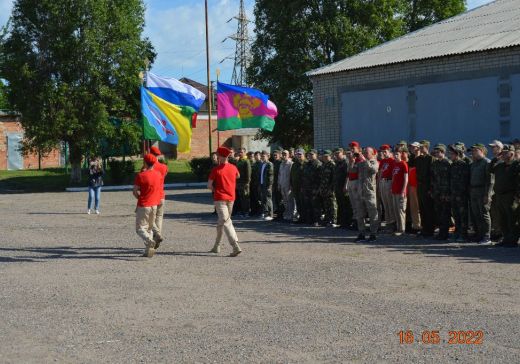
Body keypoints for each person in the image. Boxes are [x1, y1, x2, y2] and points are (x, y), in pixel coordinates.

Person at [207, 147, 242, 256]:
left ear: (221, 157)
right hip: (231, 198)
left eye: (218, 155)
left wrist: (216, 190)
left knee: (225, 222)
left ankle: (235, 246)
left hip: (220, 198)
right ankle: (217, 246)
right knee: (222, 223)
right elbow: (238, 176)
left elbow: (209, 185)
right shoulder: (233, 167)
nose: (217, 157)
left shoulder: (216, 170)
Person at [133, 153, 163, 258]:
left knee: (140, 228)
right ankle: (148, 251)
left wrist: (139, 197)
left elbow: (135, 191)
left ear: (145, 162)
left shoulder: (141, 175)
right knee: (149, 229)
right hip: (154, 205)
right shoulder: (158, 174)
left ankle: (149, 240)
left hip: (143, 204)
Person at [489, 144, 520, 247]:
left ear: (512, 153)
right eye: (503, 153)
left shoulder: (516, 165)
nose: (503, 155)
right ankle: (506, 238)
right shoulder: (500, 165)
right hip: (500, 195)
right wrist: (495, 159)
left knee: (512, 219)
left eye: (506, 153)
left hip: (511, 196)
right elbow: (489, 170)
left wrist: (517, 196)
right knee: (502, 219)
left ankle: (513, 239)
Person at [469, 144, 493, 245]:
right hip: (474, 191)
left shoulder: (487, 162)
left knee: (484, 214)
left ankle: (487, 237)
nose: (473, 153)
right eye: (473, 151)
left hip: (483, 190)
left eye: (475, 150)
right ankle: (480, 234)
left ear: (482, 151)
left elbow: (490, 181)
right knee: (476, 214)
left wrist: (487, 195)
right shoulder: (474, 163)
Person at [355, 147, 379, 242]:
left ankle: (373, 234)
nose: (364, 154)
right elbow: (352, 171)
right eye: (363, 152)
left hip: (369, 192)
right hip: (360, 192)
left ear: (372, 154)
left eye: (366, 152)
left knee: (373, 214)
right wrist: (352, 160)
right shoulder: (360, 163)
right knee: (360, 214)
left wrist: (365, 160)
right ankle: (361, 233)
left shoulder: (374, 162)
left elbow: (373, 170)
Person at [448, 144, 470, 242]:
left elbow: (465, 181)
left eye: (452, 154)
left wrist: (461, 192)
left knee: (463, 215)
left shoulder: (463, 165)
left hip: (461, 194)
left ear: (457, 155)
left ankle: (463, 234)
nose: (450, 156)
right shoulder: (452, 165)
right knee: (456, 215)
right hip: (454, 193)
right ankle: (457, 233)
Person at [415, 140, 435, 237]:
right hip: (420, 186)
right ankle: (424, 228)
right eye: (420, 147)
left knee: (428, 208)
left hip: (427, 185)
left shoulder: (431, 158)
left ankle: (430, 229)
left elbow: (432, 175)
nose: (420, 148)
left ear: (427, 147)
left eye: (422, 147)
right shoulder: (418, 159)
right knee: (422, 208)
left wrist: (431, 188)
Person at [431, 144, 451, 240]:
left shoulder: (447, 163)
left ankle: (444, 233)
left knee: (445, 214)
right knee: (438, 213)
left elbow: (450, 179)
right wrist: (432, 190)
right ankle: (440, 232)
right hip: (437, 192)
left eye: (438, 152)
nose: (436, 153)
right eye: (435, 152)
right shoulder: (435, 163)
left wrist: (447, 193)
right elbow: (433, 178)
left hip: (445, 192)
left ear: (443, 152)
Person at [149, 146, 168, 249]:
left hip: (152, 196)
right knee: (159, 218)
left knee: (150, 218)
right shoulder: (164, 167)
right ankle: (158, 235)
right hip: (161, 195)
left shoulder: (148, 167)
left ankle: (155, 236)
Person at [488, 140, 504, 240]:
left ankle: (502, 234)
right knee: (494, 213)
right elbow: (490, 171)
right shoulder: (494, 159)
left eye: (494, 147)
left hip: (502, 191)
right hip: (495, 191)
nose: (492, 149)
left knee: (501, 213)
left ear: (499, 148)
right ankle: (496, 232)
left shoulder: (503, 159)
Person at [378, 145, 395, 232]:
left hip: (389, 182)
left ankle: (392, 224)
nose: (384, 153)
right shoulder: (383, 161)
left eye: (385, 151)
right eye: (382, 151)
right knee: (385, 204)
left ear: (389, 152)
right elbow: (380, 172)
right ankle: (388, 223)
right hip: (383, 182)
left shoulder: (392, 161)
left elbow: (393, 174)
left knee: (390, 204)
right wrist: (379, 184)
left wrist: (392, 185)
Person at [302, 149, 322, 225]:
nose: (310, 156)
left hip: (314, 188)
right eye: (309, 155)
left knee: (316, 205)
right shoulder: (307, 164)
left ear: (316, 155)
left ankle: (317, 220)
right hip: (307, 187)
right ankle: (309, 220)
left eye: (312, 154)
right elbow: (304, 176)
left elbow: (320, 178)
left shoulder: (318, 164)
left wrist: (318, 188)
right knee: (308, 204)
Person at [391, 149, 408, 236]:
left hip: (400, 191)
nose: (395, 155)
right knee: (396, 210)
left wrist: (403, 191)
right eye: (394, 154)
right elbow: (393, 176)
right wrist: (391, 188)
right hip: (394, 190)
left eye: (397, 154)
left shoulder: (403, 164)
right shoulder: (395, 164)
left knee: (401, 210)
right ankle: (398, 228)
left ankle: (402, 229)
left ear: (401, 154)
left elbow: (406, 179)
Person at [333, 148, 352, 228]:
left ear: (342, 153)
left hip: (344, 187)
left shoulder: (346, 162)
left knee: (346, 205)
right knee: (340, 204)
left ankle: (347, 222)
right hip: (338, 187)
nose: (337, 155)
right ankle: (342, 222)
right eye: (335, 153)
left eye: (338, 153)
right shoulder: (337, 163)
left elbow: (347, 175)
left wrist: (345, 185)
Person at [346, 141, 363, 231]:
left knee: (358, 203)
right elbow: (349, 171)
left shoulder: (360, 158)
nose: (352, 150)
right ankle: (355, 221)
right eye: (350, 148)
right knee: (353, 203)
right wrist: (351, 161)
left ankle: (359, 222)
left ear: (358, 149)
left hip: (357, 181)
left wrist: (352, 161)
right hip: (351, 181)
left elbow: (355, 171)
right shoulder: (352, 158)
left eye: (353, 148)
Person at [319, 150, 337, 227]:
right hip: (323, 188)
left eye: (326, 156)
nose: (325, 158)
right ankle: (327, 219)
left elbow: (334, 178)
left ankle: (333, 220)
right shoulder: (323, 165)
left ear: (330, 156)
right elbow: (321, 178)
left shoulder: (332, 165)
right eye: (324, 156)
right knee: (326, 204)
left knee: (332, 204)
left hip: (330, 188)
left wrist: (331, 188)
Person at [278, 150, 295, 221]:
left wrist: (291, 185)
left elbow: (292, 176)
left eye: (285, 154)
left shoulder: (291, 164)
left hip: (288, 185)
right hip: (282, 185)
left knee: (290, 200)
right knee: (285, 200)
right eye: (283, 154)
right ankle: (287, 214)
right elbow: (279, 175)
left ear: (288, 155)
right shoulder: (281, 164)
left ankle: (291, 215)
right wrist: (278, 184)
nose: (284, 155)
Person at [235, 148, 251, 218]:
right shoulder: (239, 161)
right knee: (241, 198)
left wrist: (247, 182)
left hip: (244, 183)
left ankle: (246, 212)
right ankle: (243, 211)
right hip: (239, 182)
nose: (240, 153)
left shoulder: (246, 161)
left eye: (241, 152)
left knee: (245, 198)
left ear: (245, 153)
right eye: (239, 152)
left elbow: (248, 173)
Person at [290, 148, 305, 223]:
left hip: (303, 188)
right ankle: (301, 217)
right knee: (298, 203)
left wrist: (303, 186)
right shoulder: (294, 164)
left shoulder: (306, 164)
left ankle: (305, 217)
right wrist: (291, 185)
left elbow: (306, 177)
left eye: (300, 154)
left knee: (303, 203)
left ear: (303, 155)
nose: (298, 156)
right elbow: (291, 175)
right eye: (297, 154)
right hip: (295, 187)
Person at [259, 150, 274, 220]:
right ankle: (265, 213)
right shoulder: (262, 164)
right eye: (262, 156)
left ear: (268, 156)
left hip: (267, 185)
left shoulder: (269, 164)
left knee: (268, 199)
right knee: (263, 199)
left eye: (264, 156)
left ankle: (270, 214)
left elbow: (270, 176)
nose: (262, 157)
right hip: (262, 184)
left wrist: (269, 186)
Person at [250, 151, 262, 216]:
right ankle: (254, 211)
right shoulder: (254, 164)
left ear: (260, 156)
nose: (256, 157)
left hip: (259, 183)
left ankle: (260, 211)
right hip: (253, 183)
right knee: (254, 198)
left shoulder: (261, 164)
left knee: (259, 198)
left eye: (258, 155)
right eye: (255, 155)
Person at [272, 149, 283, 220]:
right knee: (276, 199)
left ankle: (281, 214)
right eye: (274, 155)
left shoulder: (281, 163)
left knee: (280, 199)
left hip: (279, 183)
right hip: (274, 183)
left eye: (276, 155)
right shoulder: (274, 163)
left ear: (279, 155)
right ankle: (278, 214)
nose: (275, 156)